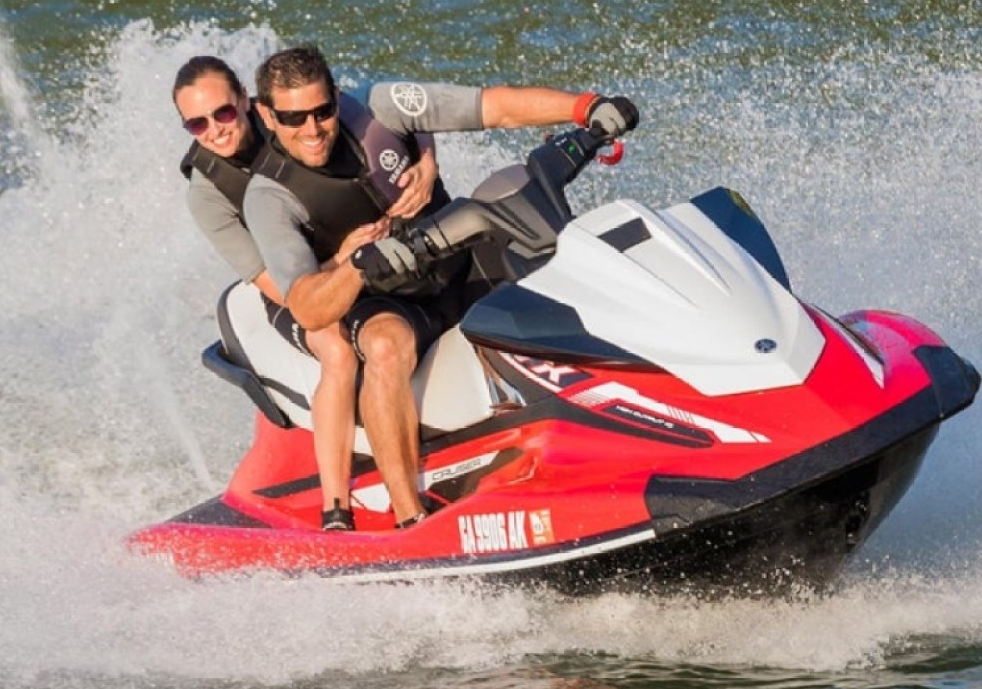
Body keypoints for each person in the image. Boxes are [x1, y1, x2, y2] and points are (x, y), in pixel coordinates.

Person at [242, 44, 638, 528]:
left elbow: (494, 107)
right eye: (293, 118)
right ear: (266, 115)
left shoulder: (378, 109)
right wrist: (357, 267)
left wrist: (586, 108)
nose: (312, 129)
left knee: (549, 242)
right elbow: (308, 306)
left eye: (322, 111)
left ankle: (644, 406)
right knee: (386, 347)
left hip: (457, 259)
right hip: (385, 298)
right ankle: (411, 517)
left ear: (335, 96)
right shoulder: (269, 198)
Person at [171, 55, 441, 531]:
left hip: (356, 260)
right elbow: (280, 286)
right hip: (292, 284)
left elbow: (400, 112)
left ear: (248, 104)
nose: (215, 129)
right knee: (336, 349)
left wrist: (427, 161)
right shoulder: (208, 194)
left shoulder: (295, 114)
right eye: (197, 123)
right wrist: (346, 261)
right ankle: (336, 507)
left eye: (224, 113)